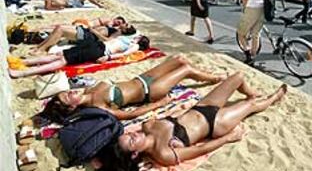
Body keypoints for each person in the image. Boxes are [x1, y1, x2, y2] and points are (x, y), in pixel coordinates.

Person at [113, 73, 287, 171]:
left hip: (201, 107)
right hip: (215, 125)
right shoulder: (163, 154)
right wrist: (229, 138)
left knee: (238, 77)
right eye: (131, 140)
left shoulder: (147, 126)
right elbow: (200, 149)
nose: (132, 134)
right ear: (135, 154)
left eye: (129, 135)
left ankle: (251, 93)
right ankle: (274, 98)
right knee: (250, 106)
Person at [41, 56, 226, 122]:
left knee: (179, 60)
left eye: (66, 92)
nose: (70, 92)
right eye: (68, 97)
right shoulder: (98, 106)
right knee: (185, 69)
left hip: (141, 78)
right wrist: (161, 103)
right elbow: (131, 114)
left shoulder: (88, 91)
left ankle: (204, 73)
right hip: (151, 91)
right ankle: (215, 78)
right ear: (72, 107)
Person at [8, 34, 150, 78]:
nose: (138, 35)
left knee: (63, 60)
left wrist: (108, 58)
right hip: (97, 45)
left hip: (100, 52)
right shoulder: (131, 39)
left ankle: (23, 72)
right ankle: (24, 62)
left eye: (140, 37)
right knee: (60, 54)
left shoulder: (135, 46)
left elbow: (124, 55)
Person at [32, 21, 136, 54]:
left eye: (126, 25)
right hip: (87, 31)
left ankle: (41, 49)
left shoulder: (118, 34)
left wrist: (94, 31)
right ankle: (39, 46)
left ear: (125, 30)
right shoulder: (116, 28)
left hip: (88, 36)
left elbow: (108, 41)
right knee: (59, 27)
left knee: (61, 30)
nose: (124, 23)